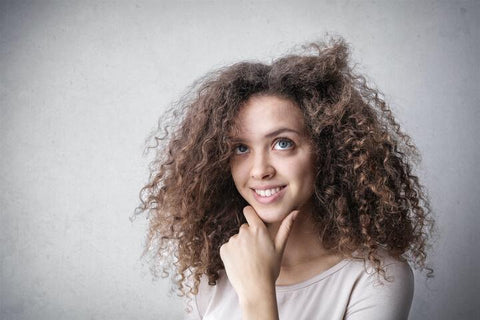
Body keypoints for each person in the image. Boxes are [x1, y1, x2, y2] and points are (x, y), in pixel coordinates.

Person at [137, 38, 433, 320]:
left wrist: (257, 293)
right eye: (241, 148)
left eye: (282, 143)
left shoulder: (375, 278)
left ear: (326, 150)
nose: (259, 170)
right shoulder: (213, 272)